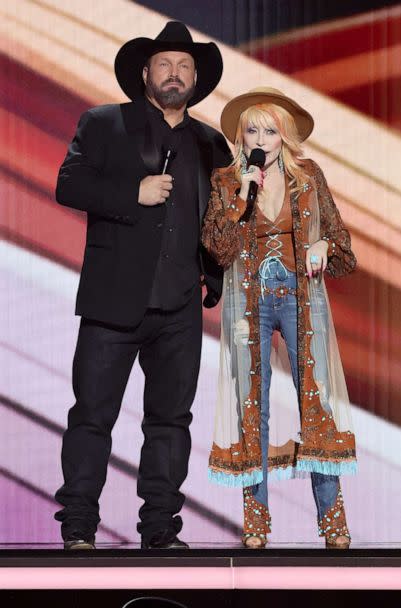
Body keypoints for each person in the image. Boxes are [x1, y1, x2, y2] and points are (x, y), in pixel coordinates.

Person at [54, 21, 232, 550]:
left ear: (196, 78)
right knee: (91, 417)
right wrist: (132, 192)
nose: (174, 74)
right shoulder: (104, 123)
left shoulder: (209, 142)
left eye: (184, 66)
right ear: (144, 73)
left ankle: (160, 530)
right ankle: (79, 529)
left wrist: (218, 271)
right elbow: (69, 183)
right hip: (113, 302)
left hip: (179, 306)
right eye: (164, 65)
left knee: (171, 423)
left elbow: (223, 215)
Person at [202, 87, 357, 549]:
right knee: (254, 408)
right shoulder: (227, 181)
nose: (262, 138)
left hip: (301, 299)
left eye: (270, 130)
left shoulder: (308, 177)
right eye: (253, 129)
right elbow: (218, 248)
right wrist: (241, 195)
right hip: (247, 302)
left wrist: (323, 245)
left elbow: (345, 252)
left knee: (318, 402)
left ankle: (332, 521)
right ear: (241, 136)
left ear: (285, 136)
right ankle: (256, 521)